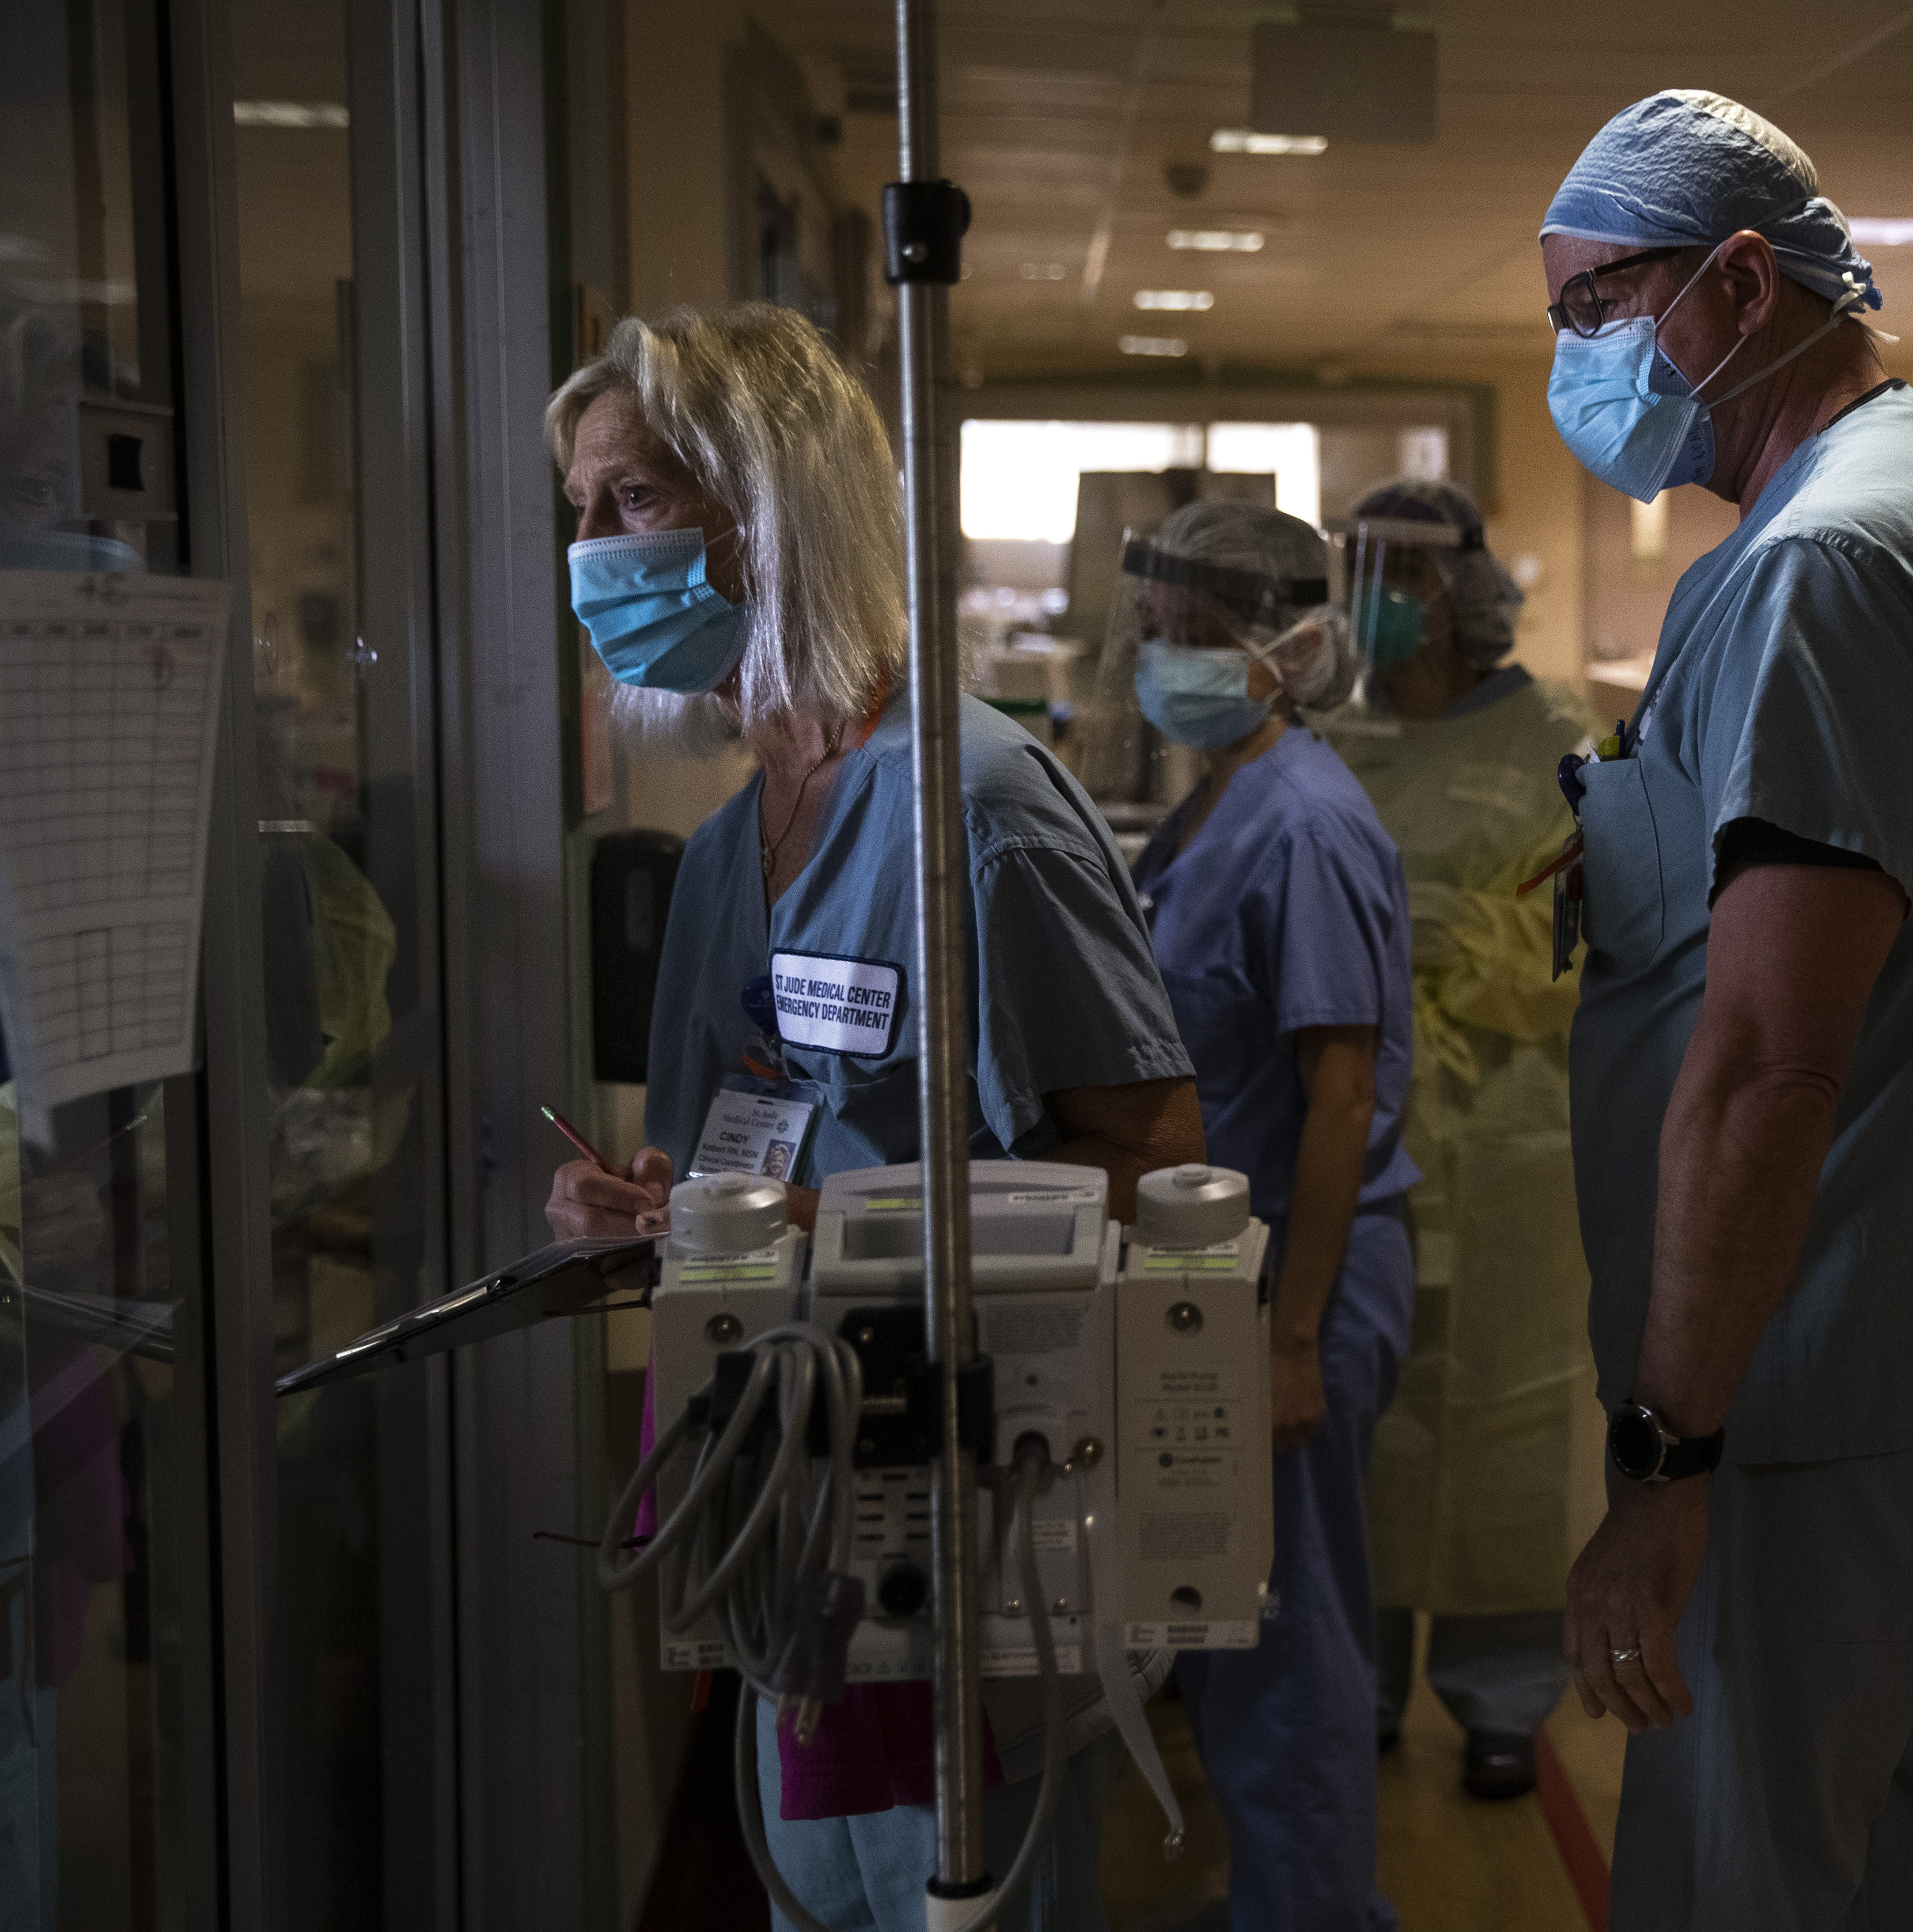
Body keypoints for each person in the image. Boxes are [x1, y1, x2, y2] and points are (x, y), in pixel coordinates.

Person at [1537, 91, 1913, 1930]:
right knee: (1863, 1853)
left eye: (1597, 308)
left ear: (1740, 283)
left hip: (1816, 1378)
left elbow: (1770, 1067)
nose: (1576, 360)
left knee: (1744, 1876)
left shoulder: (1827, 564)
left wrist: (1665, 1458)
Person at [537, 303, 1208, 1932]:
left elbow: (1152, 1162)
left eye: (630, 504)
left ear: (767, 513)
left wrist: (848, 1229)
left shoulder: (968, 810)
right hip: (788, 1512)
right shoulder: (722, 852)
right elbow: (759, 1139)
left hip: (973, 1517)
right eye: (579, 511)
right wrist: (652, 1204)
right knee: (817, 1896)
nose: (589, 555)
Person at [1119, 502, 1417, 1931]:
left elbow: (1340, 1091)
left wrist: (1290, 1337)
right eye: (1156, 632)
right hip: (1238, 1277)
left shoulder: (1301, 819)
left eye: (1187, 638)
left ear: (1281, 651)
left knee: (1288, 1653)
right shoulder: (1228, 790)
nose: (1158, 660)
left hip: (1300, 1285)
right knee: (1242, 1637)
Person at [1334, 477, 1598, 1801]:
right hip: (1363, 1130)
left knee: (1506, 1411)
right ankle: (1363, 1683)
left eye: (1408, 571)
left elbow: (1594, 935)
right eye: (1361, 565)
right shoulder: (1328, 738)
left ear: (1466, 589)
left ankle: (1504, 1697)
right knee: (1366, 1407)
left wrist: (1460, 937)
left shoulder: (1557, 737)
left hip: (1507, 1131)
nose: (1382, 597)